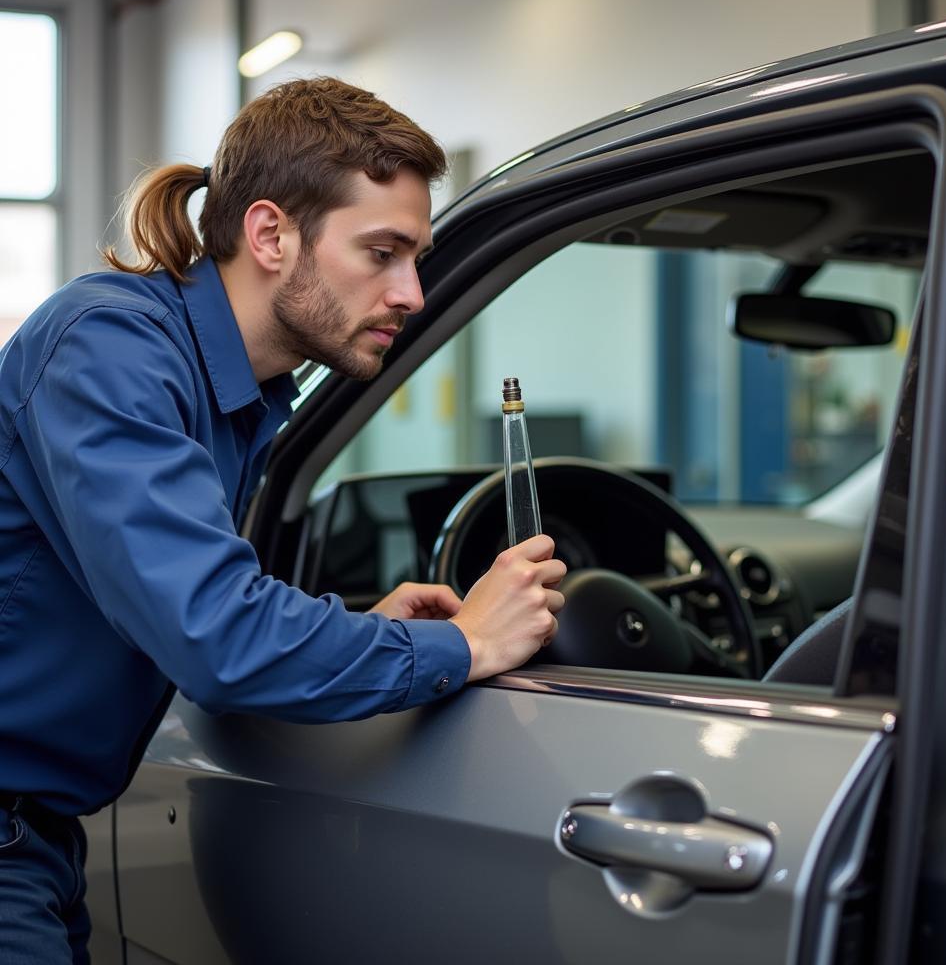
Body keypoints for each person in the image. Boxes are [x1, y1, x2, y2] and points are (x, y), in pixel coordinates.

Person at [0, 77, 566, 963]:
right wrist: (464, 646)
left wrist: (357, 632)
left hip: (40, 837)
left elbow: (188, 606)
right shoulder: (108, 350)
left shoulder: (249, 400)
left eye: (415, 257)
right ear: (271, 235)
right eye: (383, 252)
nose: (412, 293)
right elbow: (215, 635)